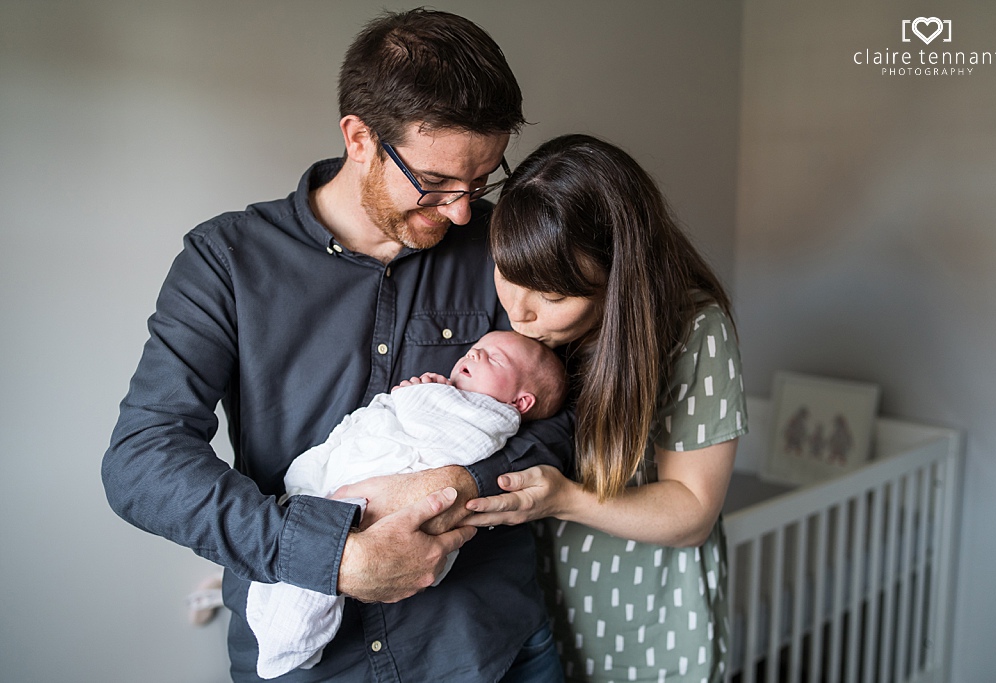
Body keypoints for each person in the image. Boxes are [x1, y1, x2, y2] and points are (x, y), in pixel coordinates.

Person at [101, 9, 573, 682]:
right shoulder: (226, 261)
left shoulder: (503, 248)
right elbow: (140, 462)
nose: (464, 212)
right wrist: (330, 555)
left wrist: (458, 484)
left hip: (487, 652)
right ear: (360, 138)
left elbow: (574, 416)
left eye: (481, 182)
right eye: (436, 185)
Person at [463, 134, 748, 682]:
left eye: (550, 296)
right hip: (532, 610)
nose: (518, 312)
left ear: (619, 282)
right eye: (507, 272)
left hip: (643, 617)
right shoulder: (529, 326)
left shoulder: (693, 332)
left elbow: (692, 512)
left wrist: (564, 499)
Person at [248, 331, 568, 679]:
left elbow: (434, 425)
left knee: (320, 557)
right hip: (347, 490)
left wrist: (420, 395)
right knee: (304, 546)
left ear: (521, 403)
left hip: (472, 631)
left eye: (493, 359)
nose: (474, 356)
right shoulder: (453, 397)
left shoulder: (492, 418)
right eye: (476, 349)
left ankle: (289, 636)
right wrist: (425, 392)